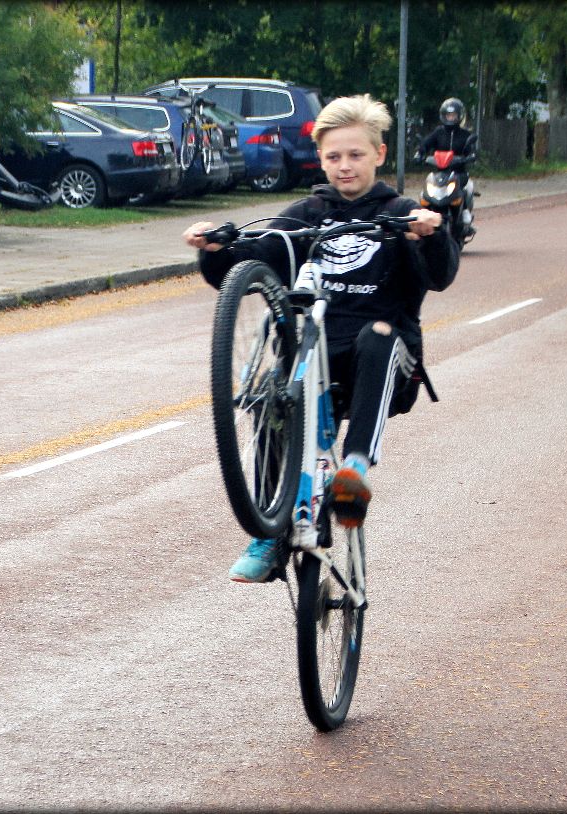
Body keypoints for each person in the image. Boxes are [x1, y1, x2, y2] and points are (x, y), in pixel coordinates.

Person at [183, 94, 458, 583]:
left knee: (377, 335)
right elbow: (253, 259)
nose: (344, 166)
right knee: (273, 391)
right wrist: (213, 247)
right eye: (333, 157)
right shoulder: (306, 214)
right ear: (321, 159)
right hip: (316, 360)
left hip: (383, 363)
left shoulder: (400, 213)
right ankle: (270, 529)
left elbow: (440, 276)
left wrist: (432, 234)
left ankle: (354, 470)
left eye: (355, 155)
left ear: (378, 153)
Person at [417, 97, 478, 237]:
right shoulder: (438, 132)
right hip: (440, 174)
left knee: (466, 189)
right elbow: (426, 143)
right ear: (443, 115)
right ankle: (424, 219)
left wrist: (471, 155)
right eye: (448, 115)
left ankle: (464, 215)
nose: (450, 118)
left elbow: (471, 148)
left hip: (458, 173)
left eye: (454, 115)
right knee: (424, 193)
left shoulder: (465, 135)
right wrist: (419, 153)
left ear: (459, 116)